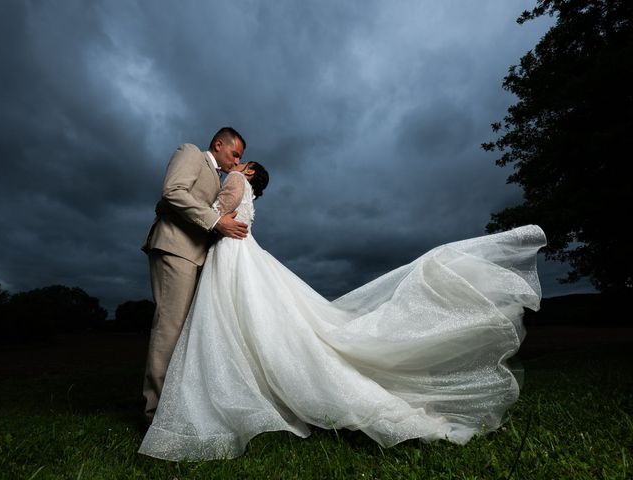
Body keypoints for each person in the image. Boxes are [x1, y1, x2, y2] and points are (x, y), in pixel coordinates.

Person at [139, 162, 546, 461]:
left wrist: (178, 210)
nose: (232, 163)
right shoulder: (251, 194)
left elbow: (219, 211)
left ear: (246, 169)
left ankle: (228, 395)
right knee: (253, 323)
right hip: (242, 252)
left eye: (239, 160)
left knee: (229, 322)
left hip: (229, 252)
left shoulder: (233, 180)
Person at [140, 127, 250, 423]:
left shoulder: (221, 178)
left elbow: (177, 203)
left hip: (198, 256)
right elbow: (173, 192)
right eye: (234, 153)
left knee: (187, 332)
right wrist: (216, 221)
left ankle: (177, 402)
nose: (236, 160)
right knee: (170, 327)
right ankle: (156, 413)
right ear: (218, 144)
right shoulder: (190, 152)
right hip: (176, 249)